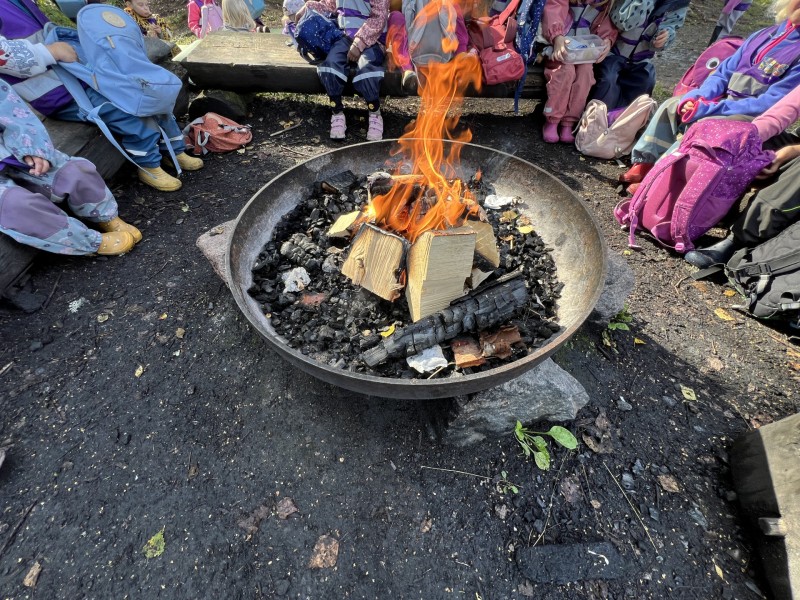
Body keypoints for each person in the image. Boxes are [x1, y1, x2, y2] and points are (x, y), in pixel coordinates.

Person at [0, 0, 204, 193]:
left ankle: (173, 149)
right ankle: (149, 165)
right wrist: (50, 52)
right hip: (52, 89)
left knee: (145, 96)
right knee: (123, 112)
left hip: (74, 71)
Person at [621, 0, 800, 186]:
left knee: (705, 127)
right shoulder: (764, 34)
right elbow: (723, 73)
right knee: (671, 105)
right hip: (722, 101)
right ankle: (645, 162)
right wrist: (699, 96)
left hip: (751, 116)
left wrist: (711, 108)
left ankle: (659, 180)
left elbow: (770, 103)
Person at [0, 81, 140, 256]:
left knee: (73, 171)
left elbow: (15, 115)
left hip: (10, 152)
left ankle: (106, 216)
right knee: (16, 205)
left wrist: (31, 149)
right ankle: (87, 242)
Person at [298, 0, 389, 141]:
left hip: (372, 40)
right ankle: (337, 112)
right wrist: (308, 7)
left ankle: (374, 112)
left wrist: (359, 43)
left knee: (367, 68)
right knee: (331, 64)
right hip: (344, 36)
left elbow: (379, 17)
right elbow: (330, 5)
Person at [540, 0, 618, 143]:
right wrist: (557, 36)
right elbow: (554, 9)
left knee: (585, 74)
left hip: (584, 53)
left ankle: (568, 122)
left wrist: (607, 40)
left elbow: (607, 24)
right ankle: (553, 120)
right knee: (566, 72)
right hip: (560, 49)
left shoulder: (604, 4)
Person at [591, 0, 688, 111]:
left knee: (646, 81)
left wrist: (665, 37)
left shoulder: (679, 2)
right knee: (608, 79)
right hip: (613, 53)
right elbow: (622, 21)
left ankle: (625, 123)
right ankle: (597, 118)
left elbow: (672, 25)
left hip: (641, 59)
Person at [386, 0, 469, 94]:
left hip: (443, 47)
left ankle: (461, 54)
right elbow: (394, 8)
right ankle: (407, 70)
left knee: (454, 6)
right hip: (414, 48)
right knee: (396, 16)